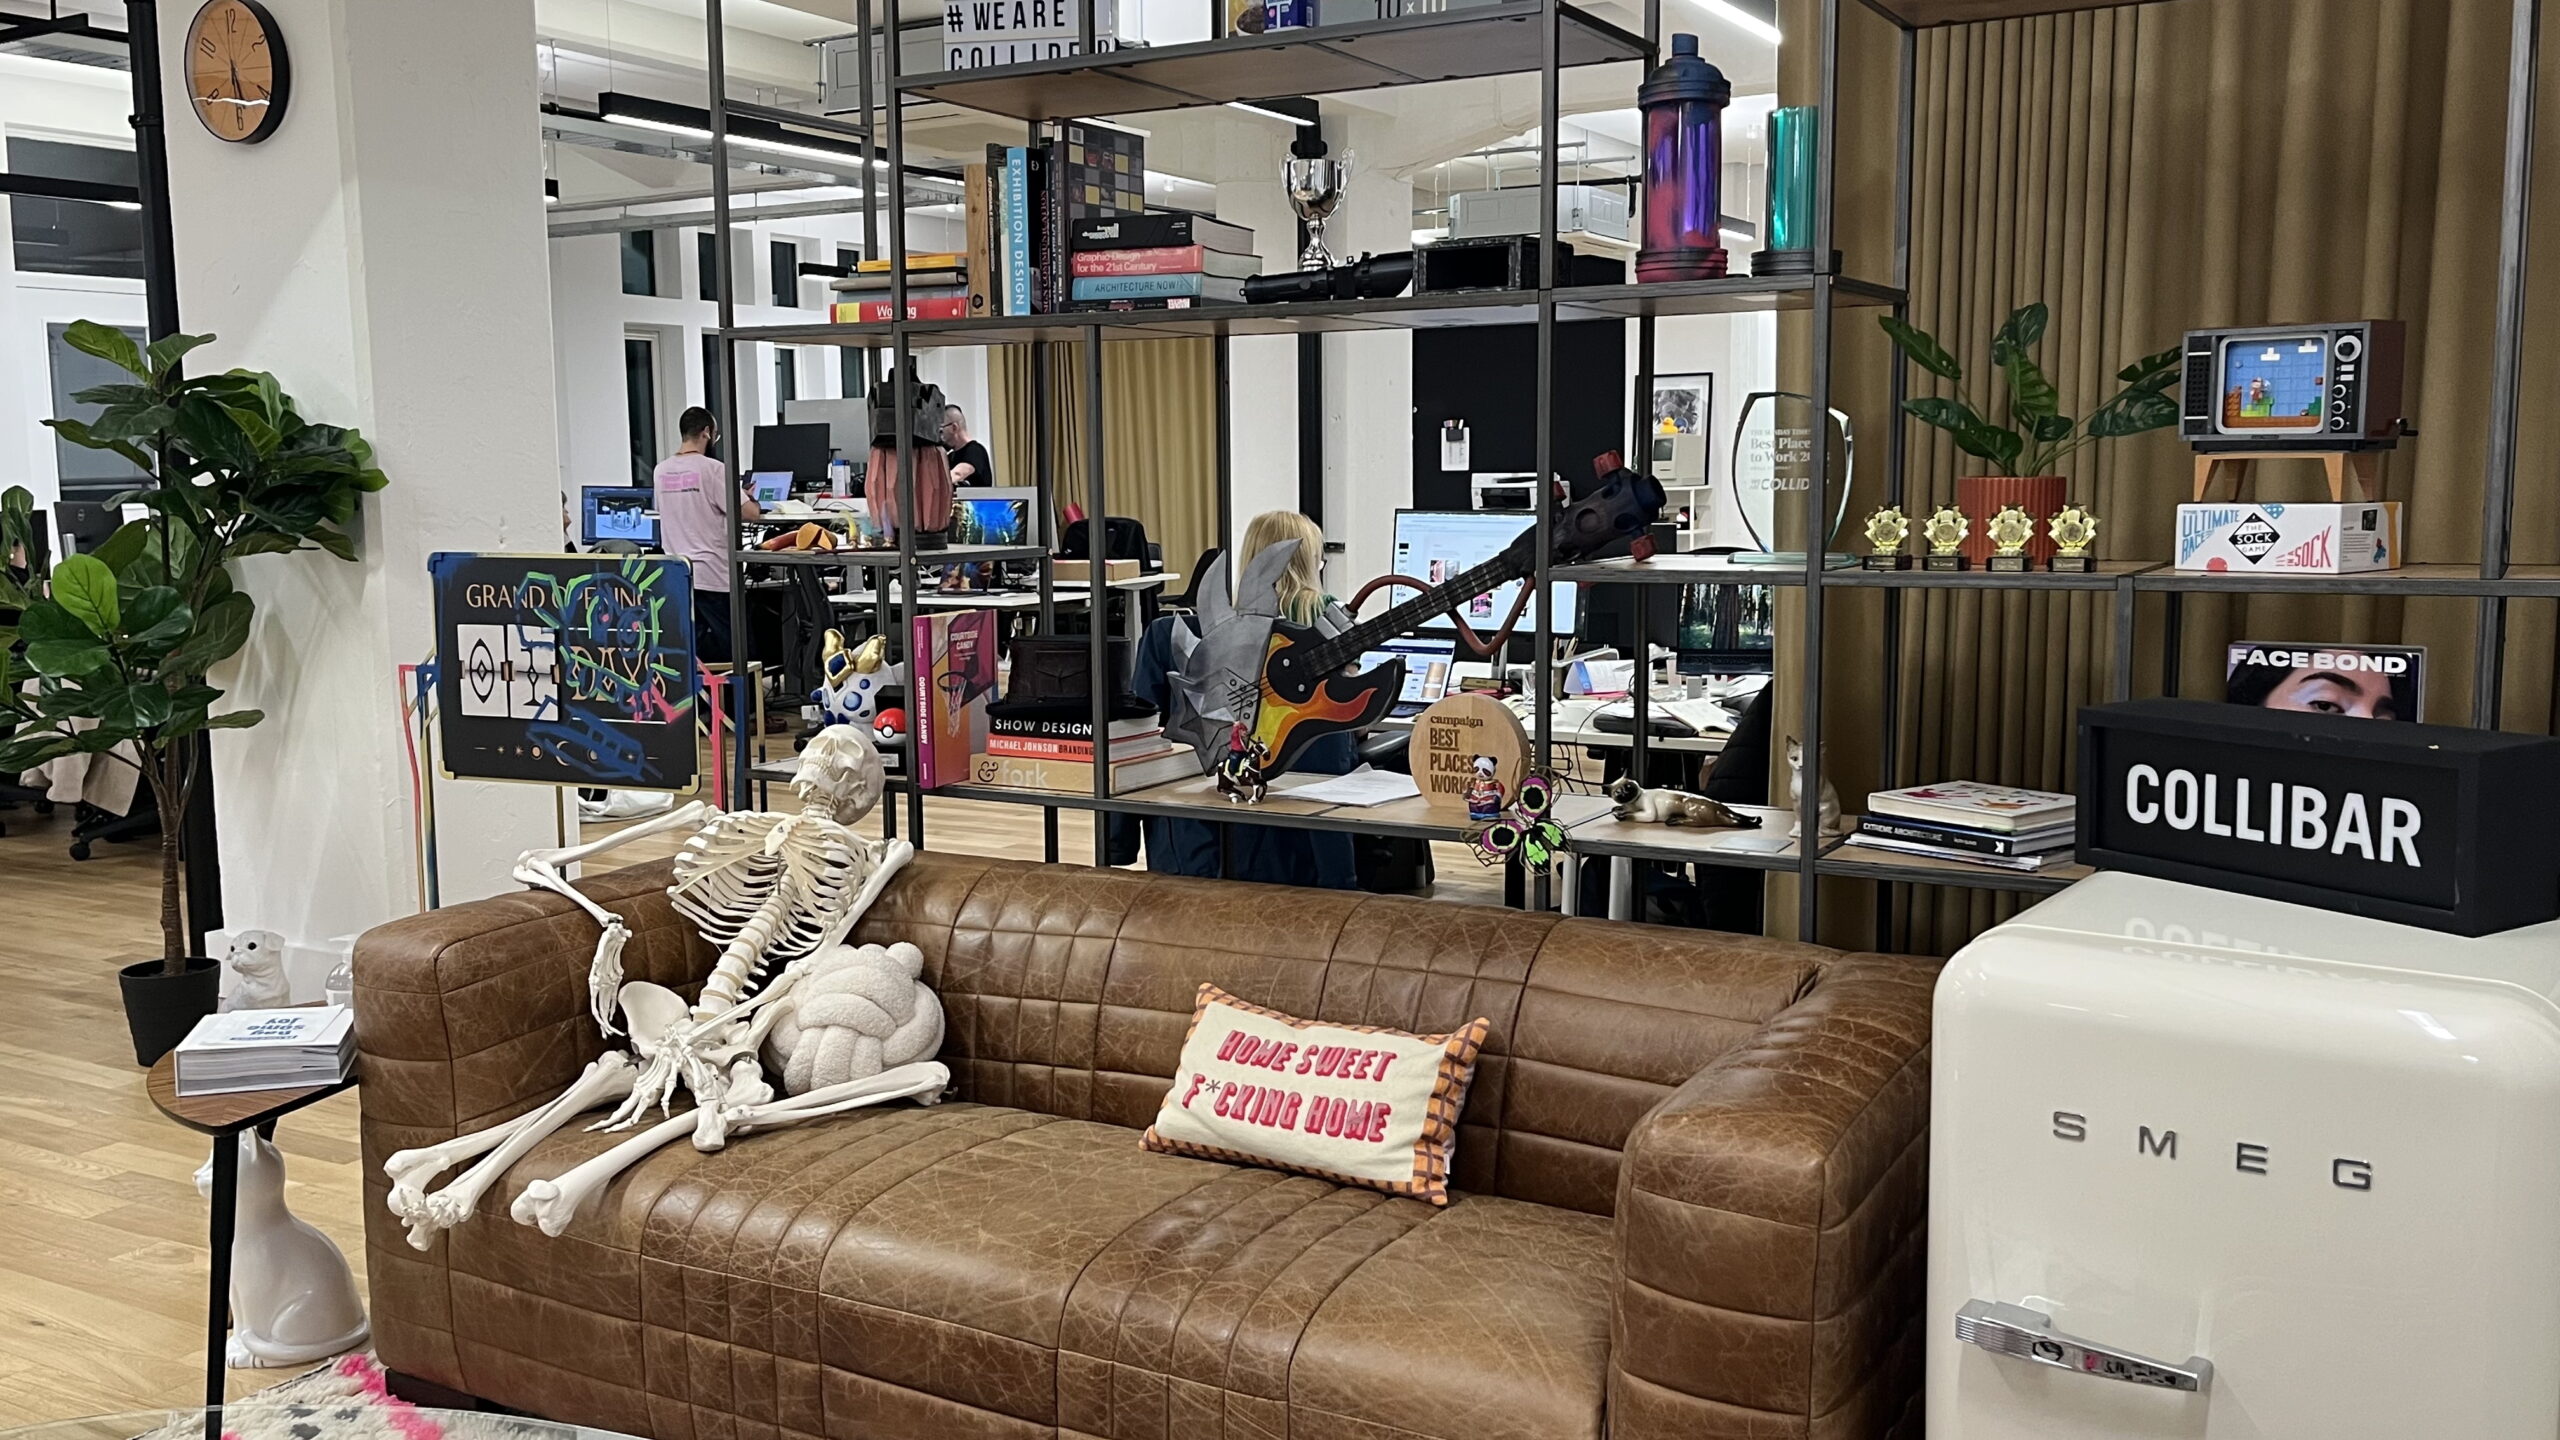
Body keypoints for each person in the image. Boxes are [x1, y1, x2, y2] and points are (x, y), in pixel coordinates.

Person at [1123, 510, 1358, 889]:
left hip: (1189, 844)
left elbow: (1135, 738)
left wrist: (1118, 844)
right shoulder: (1326, 641)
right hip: (1300, 848)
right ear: (1312, 564)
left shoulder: (1167, 635)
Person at [653, 406, 760, 663]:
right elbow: (750, 514)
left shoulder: (660, 471)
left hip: (678, 574)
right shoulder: (713, 469)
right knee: (738, 652)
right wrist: (748, 497)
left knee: (696, 650)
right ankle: (740, 702)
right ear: (707, 432)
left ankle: (705, 701)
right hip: (714, 575)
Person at [941, 404, 994, 488]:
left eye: (941, 429)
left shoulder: (975, 451)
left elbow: (958, 474)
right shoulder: (951, 456)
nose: (940, 434)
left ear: (954, 428)